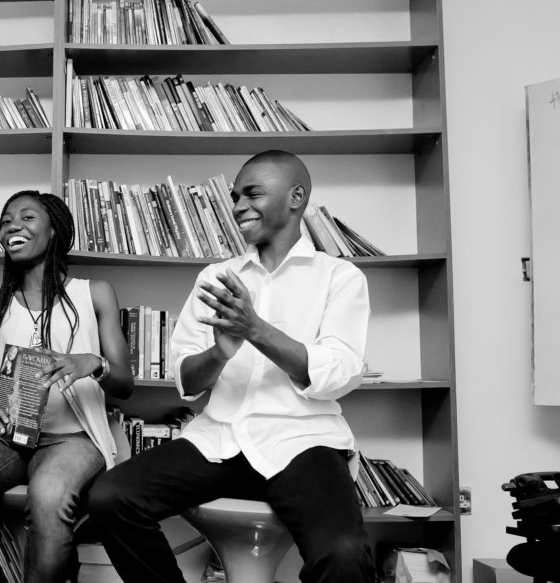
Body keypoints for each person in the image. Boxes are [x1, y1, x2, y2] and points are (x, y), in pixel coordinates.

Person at [87, 150, 376, 583]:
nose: (239, 205)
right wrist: (220, 353)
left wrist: (256, 330)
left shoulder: (340, 277)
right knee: (111, 497)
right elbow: (186, 380)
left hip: (304, 442)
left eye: (252, 193)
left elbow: (339, 374)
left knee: (345, 556)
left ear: (296, 197)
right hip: (219, 439)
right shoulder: (215, 277)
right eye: (235, 196)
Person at [0, 190, 133, 583]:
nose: (13, 226)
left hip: (74, 438)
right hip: (7, 437)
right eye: (7, 220)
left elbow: (124, 386)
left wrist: (91, 363)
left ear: (54, 230)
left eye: (27, 217)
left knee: (49, 497)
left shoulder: (93, 293)